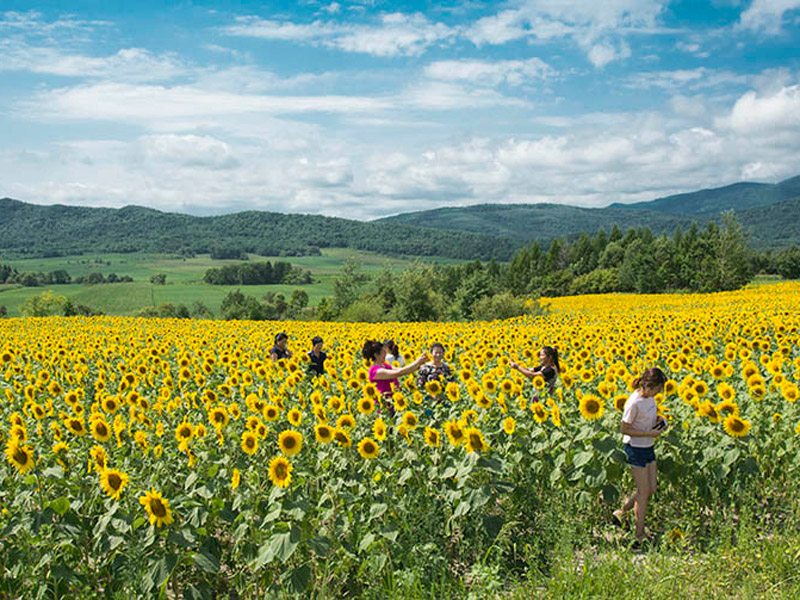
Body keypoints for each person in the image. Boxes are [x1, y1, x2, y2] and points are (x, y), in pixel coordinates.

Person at [612, 367, 668, 544]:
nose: (660, 391)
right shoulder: (633, 403)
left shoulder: (650, 398)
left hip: (648, 446)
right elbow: (624, 428)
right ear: (651, 386)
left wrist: (659, 421)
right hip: (635, 448)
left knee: (651, 488)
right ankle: (639, 534)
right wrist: (648, 434)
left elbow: (648, 416)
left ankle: (621, 512)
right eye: (659, 388)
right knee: (643, 492)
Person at [362, 340, 426, 414]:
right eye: (383, 351)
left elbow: (403, 370)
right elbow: (399, 373)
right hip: (385, 408)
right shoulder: (375, 371)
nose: (385, 353)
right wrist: (417, 361)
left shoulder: (385, 366)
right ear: (376, 355)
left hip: (394, 403)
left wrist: (420, 364)